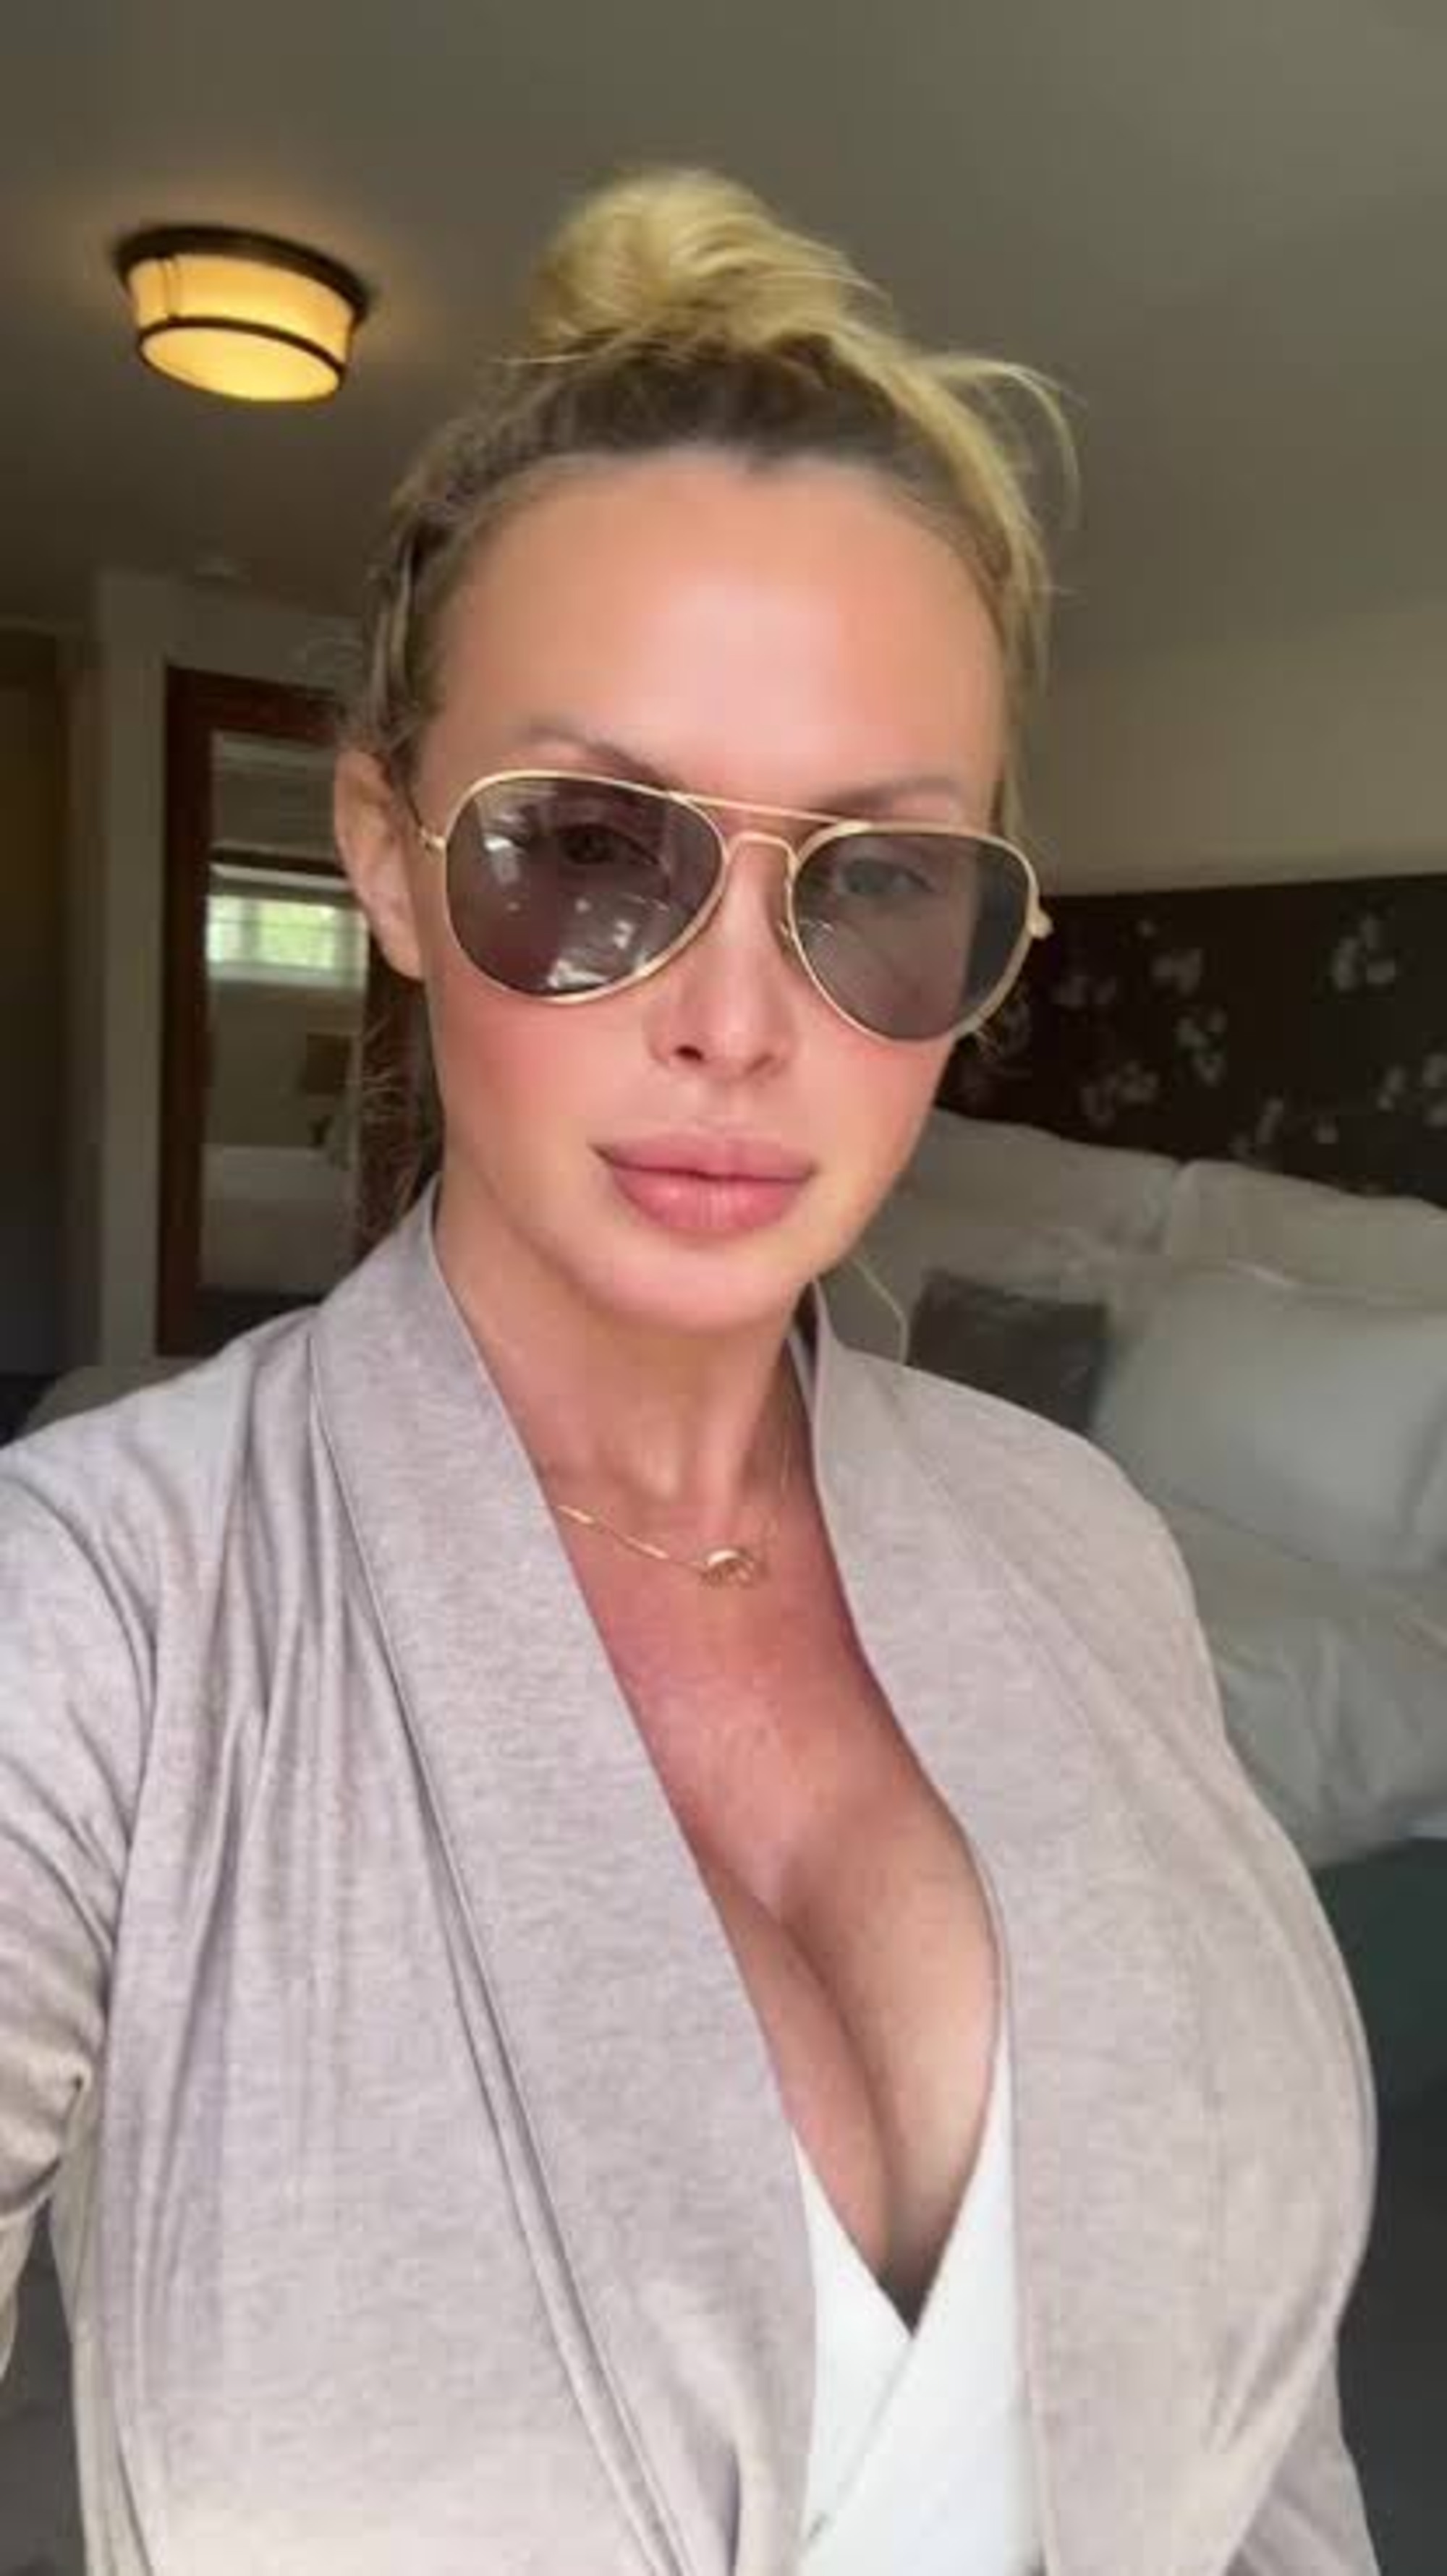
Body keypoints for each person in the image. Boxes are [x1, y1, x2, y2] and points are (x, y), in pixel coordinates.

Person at [0, 171, 1378, 2575]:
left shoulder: (1090, 1544)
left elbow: (1271, 2442)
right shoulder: (98, 1617)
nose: (737, 1017)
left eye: (876, 878)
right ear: (389, 855)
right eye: (587, 846)